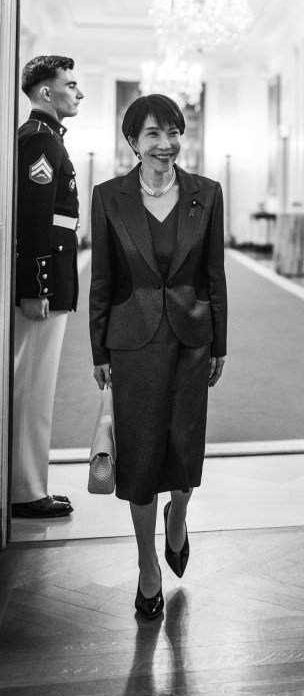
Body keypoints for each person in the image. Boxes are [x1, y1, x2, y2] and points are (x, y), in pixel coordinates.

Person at [90, 94, 227, 620]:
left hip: (193, 339)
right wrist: (98, 347)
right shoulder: (109, 196)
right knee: (141, 456)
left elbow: (214, 276)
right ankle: (148, 566)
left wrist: (220, 341)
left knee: (185, 447)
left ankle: (179, 514)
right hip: (132, 342)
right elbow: (103, 280)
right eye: (153, 134)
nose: (166, 144)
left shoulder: (206, 193)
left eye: (173, 132)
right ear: (132, 141)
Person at [12, 56, 83, 520]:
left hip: (51, 277)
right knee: (32, 386)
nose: (78, 93)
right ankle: (25, 490)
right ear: (44, 93)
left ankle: (27, 483)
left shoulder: (46, 137)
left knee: (35, 383)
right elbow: (36, 220)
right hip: (45, 281)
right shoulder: (39, 139)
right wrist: (36, 285)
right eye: (70, 85)